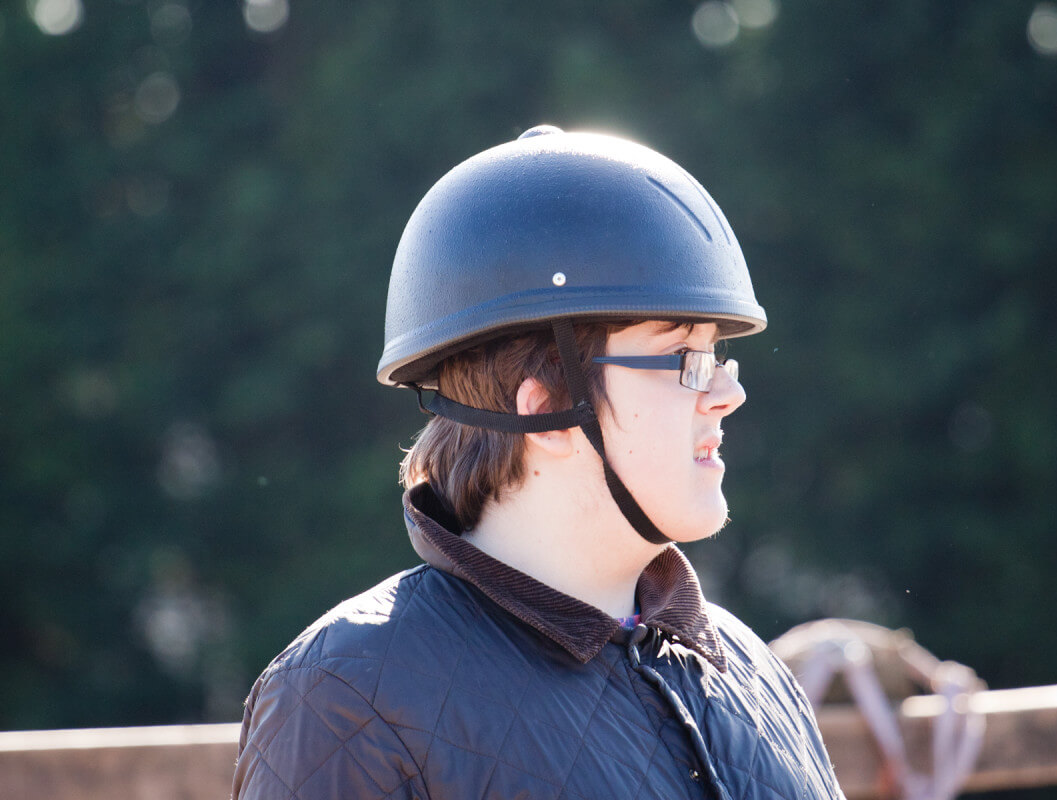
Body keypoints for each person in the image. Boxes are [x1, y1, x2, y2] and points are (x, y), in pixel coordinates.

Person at [231, 126, 845, 800]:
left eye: (721, 356)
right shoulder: (346, 698)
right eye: (684, 359)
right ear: (545, 406)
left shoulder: (754, 671)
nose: (729, 393)